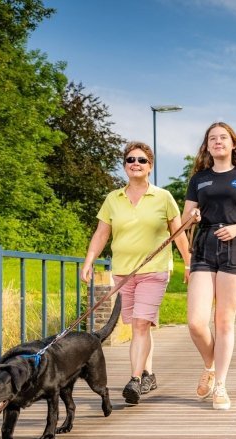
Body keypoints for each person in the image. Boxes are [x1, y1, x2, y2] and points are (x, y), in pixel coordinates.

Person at [81, 141, 191, 405]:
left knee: (141, 323)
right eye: (130, 160)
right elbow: (101, 233)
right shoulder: (113, 199)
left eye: (141, 160)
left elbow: (178, 233)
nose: (136, 164)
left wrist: (189, 263)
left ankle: (134, 380)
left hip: (154, 270)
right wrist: (89, 260)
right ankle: (149, 373)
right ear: (124, 166)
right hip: (123, 272)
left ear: (150, 166)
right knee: (138, 325)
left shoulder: (163, 197)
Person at [183, 122, 236, 410]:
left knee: (223, 321)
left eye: (223, 138)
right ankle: (210, 363)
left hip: (235, 247)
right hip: (204, 246)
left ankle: (220, 385)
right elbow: (184, 220)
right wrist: (192, 216)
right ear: (207, 146)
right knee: (196, 321)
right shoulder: (198, 179)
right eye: (212, 139)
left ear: (233, 144)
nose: (218, 142)